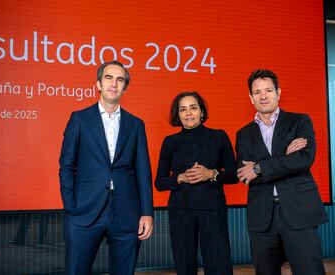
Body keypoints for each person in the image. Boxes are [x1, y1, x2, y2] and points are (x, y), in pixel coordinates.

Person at [59, 60, 154, 275]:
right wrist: (71, 205)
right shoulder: (79, 119)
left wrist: (147, 212)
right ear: (98, 84)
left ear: (125, 87)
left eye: (120, 79)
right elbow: (66, 166)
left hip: (126, 212)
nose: (114, 83)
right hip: (84, 210)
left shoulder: (136, 124)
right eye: (109, 78)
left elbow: (143, 172)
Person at [236, 69, 327, 275]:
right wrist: (284, 158)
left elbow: (303, 159)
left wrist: (259, 167)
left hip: (299, 211)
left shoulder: (300, 121)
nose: (263, 96)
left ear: (278, 92)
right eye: (257, 92)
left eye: (268, 90)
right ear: (250, 98)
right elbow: (244, 174)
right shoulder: (243, 134)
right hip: (262, 216)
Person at [155, 91, 237, 275]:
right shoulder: (170, 142)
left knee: (219, 264)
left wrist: (211, 174)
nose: (188, 113)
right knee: (184, 265)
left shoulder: (219, 137)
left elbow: (233, 175)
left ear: (201, 112)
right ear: (178, 115)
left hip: (212, 209)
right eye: (182, 109)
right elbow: (159, 182)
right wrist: (179, 178)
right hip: (180, 210)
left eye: (193, 108)